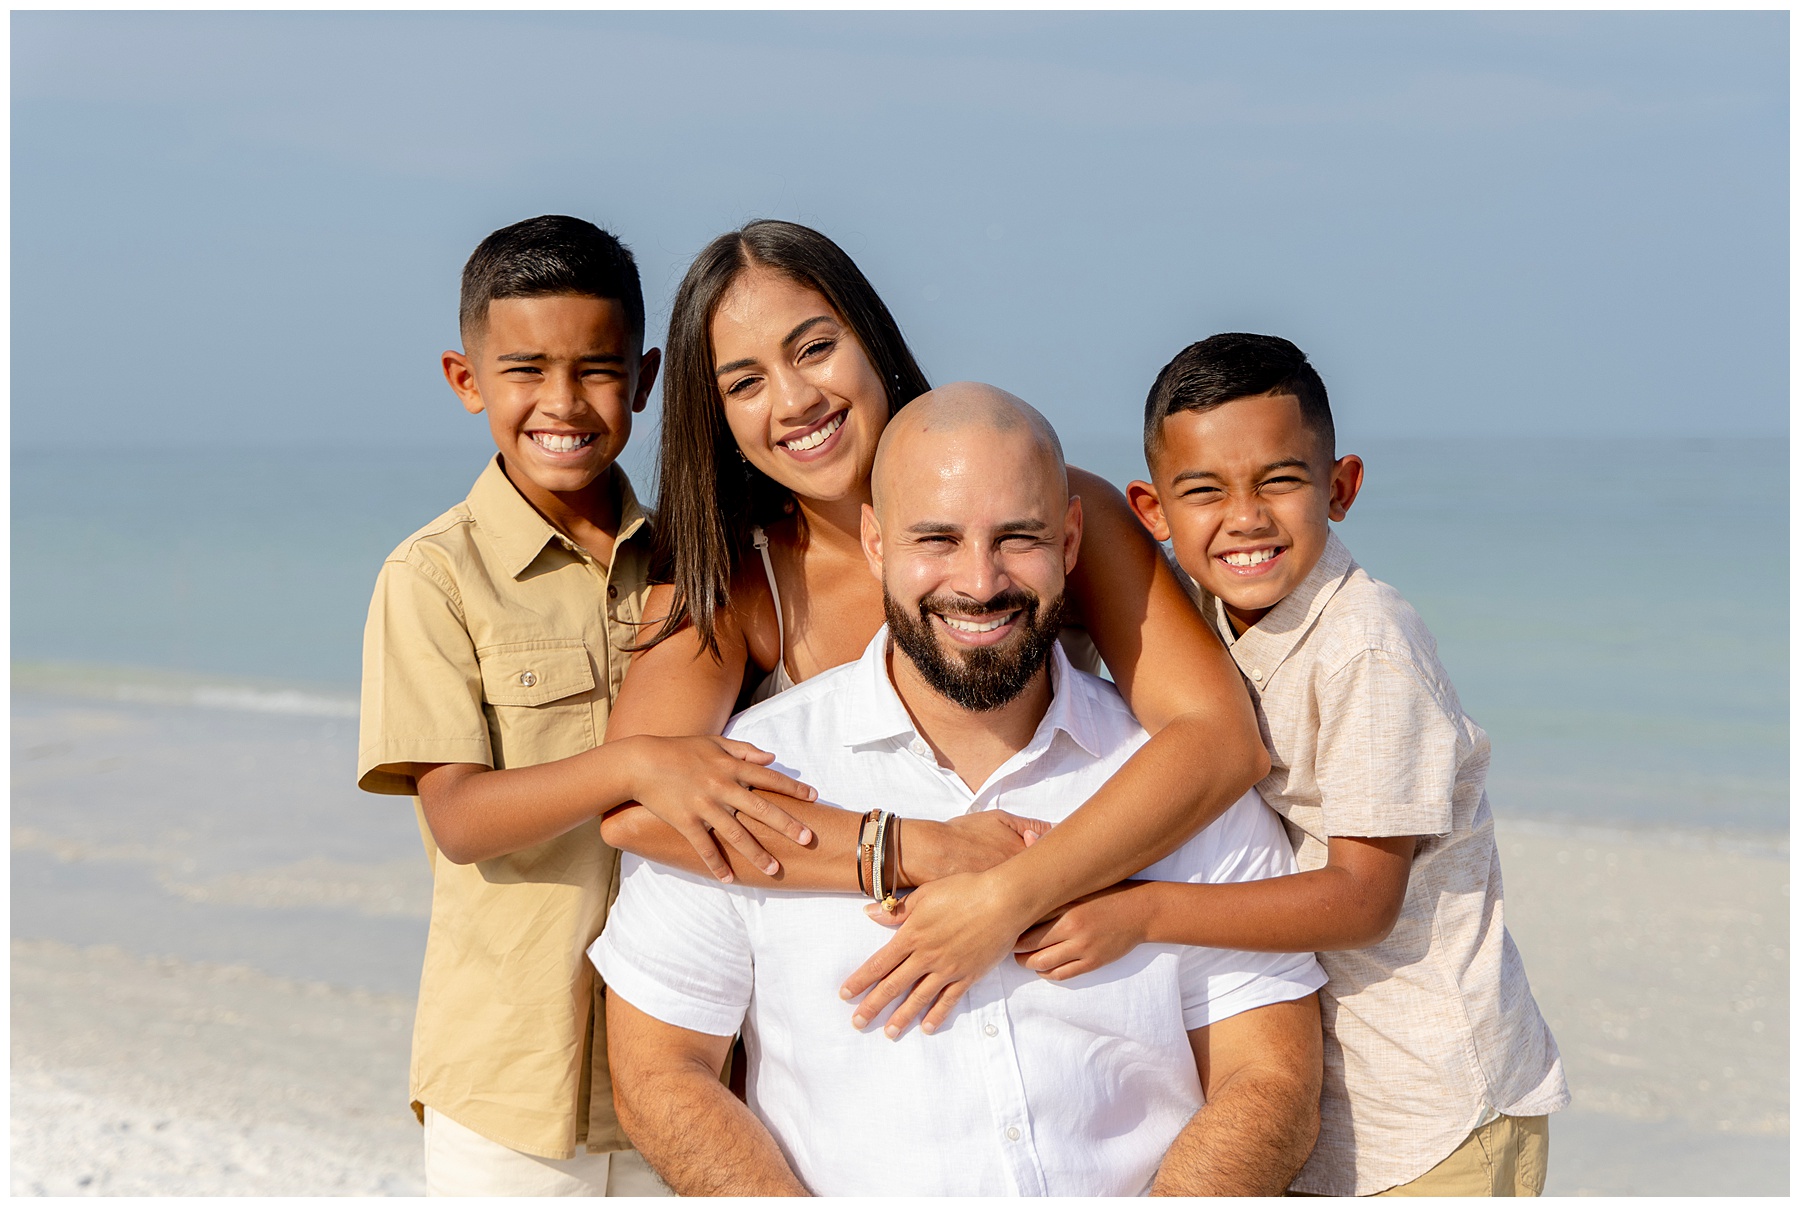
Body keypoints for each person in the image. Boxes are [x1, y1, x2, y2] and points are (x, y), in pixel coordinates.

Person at [591, 384, 1328, 1196]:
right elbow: (663, 1072)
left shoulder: (1171, 778)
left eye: (1017, 537)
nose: (979, 582)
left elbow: (1271, 1078)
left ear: (1072, 540)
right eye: (936, 538)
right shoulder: (755, 770)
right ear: (874, 541)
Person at [599, 220, 1271, 1037]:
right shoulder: (738, 581)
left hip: (1063, 974)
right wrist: (912, 849)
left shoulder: (1062, 510)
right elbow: (637, 809)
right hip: (856, 1010)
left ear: (870, 337)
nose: (795, 399)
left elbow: (1221, 739)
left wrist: (1010, 894)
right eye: (744, 384)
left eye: (814, 348)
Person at [1016, 332, 1568, 1196]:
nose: (1246, 518)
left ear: (1339, 487)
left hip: (1439, 1107)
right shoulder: (1199, 601)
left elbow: (1364, 898)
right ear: (1153, 512)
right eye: (1203, 491)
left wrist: (1142, 911)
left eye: (1280, 480)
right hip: (1330, 1090)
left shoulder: (1367, 646)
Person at [356, 216, 817, 1195]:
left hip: (696, 1068)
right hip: (511, 1086)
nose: (562, 402)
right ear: (465, 378)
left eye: (598, 370)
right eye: (523, 370)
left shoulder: (704, 567)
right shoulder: (433, 577)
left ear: (647, 380)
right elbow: (462, 819)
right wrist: (635, 762)